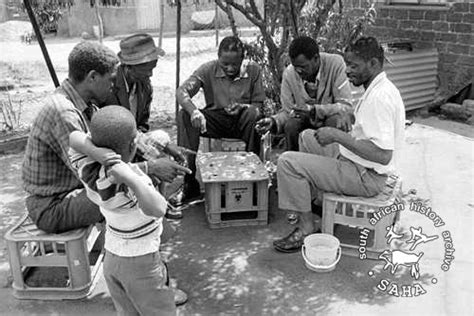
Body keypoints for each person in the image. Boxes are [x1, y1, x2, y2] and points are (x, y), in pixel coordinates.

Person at [272, 37, 405, 253]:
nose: (348, 71)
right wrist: (349, 116)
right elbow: (370, 128)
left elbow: (382, 155)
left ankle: (306, 227)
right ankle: (318, 202)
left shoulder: (379, 98)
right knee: (306, 136)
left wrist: (336, 135)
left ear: (373, 64)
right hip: (359, 166)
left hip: (366, 177)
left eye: (354, 66)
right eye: (347, 65)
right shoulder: (381, 89)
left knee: (287, 162)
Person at [69, 106, 181, 315]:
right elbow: (158, 208)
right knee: (159, 310)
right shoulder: (131, 185)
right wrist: (132, 178)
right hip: (142, 264)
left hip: (112, 258)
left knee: (128, 311)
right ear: (133, 145)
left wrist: (97, 153)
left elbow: (74, 138)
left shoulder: (89, 169)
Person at [21, 41, 118, 234]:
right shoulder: (64, 113)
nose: (113, 86)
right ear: (92, 77)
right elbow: (91, 174)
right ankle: (134, 258)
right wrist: (146, 171)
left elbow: (117, 131)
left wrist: (160, 146)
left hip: (66, 195)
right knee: (128, 195)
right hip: (51, 207)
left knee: (134, 184)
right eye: (111, 79)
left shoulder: (84, 105)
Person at [174, 36, 266, 205]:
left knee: (254, 114)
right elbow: (182, 91)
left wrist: (243, 107)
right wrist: (194, 112)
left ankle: (252, 179)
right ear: (218, 58)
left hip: (243, 121)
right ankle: (189, 181)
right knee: (184, 115)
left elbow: (258, 104)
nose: (230, 68)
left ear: (242, 60)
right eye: (225, 64)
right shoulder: (207, 69)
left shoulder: (253, 70)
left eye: (235, 64)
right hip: (216, 119)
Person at [255, 36, 354, 151]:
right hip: (304, 121)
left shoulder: (335, 64)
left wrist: (315, 111)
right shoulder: (289, 74)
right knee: (291, 125)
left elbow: (345, 106)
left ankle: (333, 163)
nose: (299, 71)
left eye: (303, 67)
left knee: (336, 120)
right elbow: (288, 112)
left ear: (316, 58)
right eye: (295, 66)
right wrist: (273, 121)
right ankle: (293, 163)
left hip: (329, 120)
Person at [104, 33, 164, 133]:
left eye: (152, 68)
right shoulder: (107, 87)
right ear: (129, 67)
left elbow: (143, 124)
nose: (150, 74)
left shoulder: (146, 88)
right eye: (146, 70)